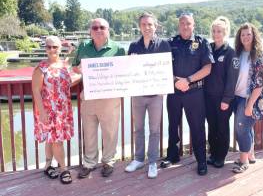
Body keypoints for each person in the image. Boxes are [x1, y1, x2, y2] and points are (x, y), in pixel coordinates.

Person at [160, 13, 214, 176]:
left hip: (195, 92)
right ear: (178, 25)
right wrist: (177, 80)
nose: (185, 26)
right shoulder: (170, 43)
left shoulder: (202, 42)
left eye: (188, 23)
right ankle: (172, 156)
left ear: (193, 25)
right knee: (173, 125)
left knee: (197, 127)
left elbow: (207, 68)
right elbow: (161, 66)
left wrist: (188, 80)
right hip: (175, 91)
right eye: (182, 23)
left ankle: (201, 160)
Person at [73, 18, 125, 179]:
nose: (98, 30)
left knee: (110, 132)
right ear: (90, 30)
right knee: (89, 132)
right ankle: (89, 163)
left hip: (110, 98)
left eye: (102, 27)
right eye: (94, 27)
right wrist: (78, 69)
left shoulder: (118, 48)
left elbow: (125, 72)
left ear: (108, 29)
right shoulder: (83, 46)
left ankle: (108, 161)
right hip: (88, 97)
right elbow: (74, 67)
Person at [124, 12, 171, 178]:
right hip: (137, 94)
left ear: (155, 26)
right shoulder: (133, 46)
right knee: (138, 128)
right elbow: (128, 71)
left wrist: (165, 85)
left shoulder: (164, 45)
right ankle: (138, 159)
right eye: (143, 24)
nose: (147, 27)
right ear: (140, 26)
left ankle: (152, 162)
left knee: (154, 130)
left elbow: (168, 68)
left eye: (150, 24)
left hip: (156, 95)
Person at [32, 36, 81, 184]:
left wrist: (84, 76)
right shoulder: (40, 68)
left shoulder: (64, 66)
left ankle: (47, 166)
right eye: (49, 47)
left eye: (55, 47)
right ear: (45, 48)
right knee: (57, 141)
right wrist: (42, 112)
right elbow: (35, 91)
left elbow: (67, 83)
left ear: (60, 48)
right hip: (48, 110)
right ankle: (64, 169)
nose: (52, 49)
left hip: (63, 109)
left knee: (51, 139)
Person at [232, 23, 263, 173]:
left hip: (250, 99)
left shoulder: (261, 55)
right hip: (237, 96)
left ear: (254, 35)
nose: (245, 37)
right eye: (242, 35)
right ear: (239, 37)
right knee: (246, 127)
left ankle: (244, 162)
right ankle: (251, 155)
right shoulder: (239, 53)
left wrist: (250, 105)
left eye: (248, 34)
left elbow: (261, 83)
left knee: (241, 129)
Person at [204, 16, 239, 168]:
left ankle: (221, 156)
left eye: (219, 31)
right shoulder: (208, 48)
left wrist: (226, 99)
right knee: (212, 127)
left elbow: (232, 79)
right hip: (208, 98)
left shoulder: (231, 53)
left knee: (222, 127)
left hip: (223, 100)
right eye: (213, 31)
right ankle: (213, 154)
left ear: (225, 32)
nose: (216, 34)